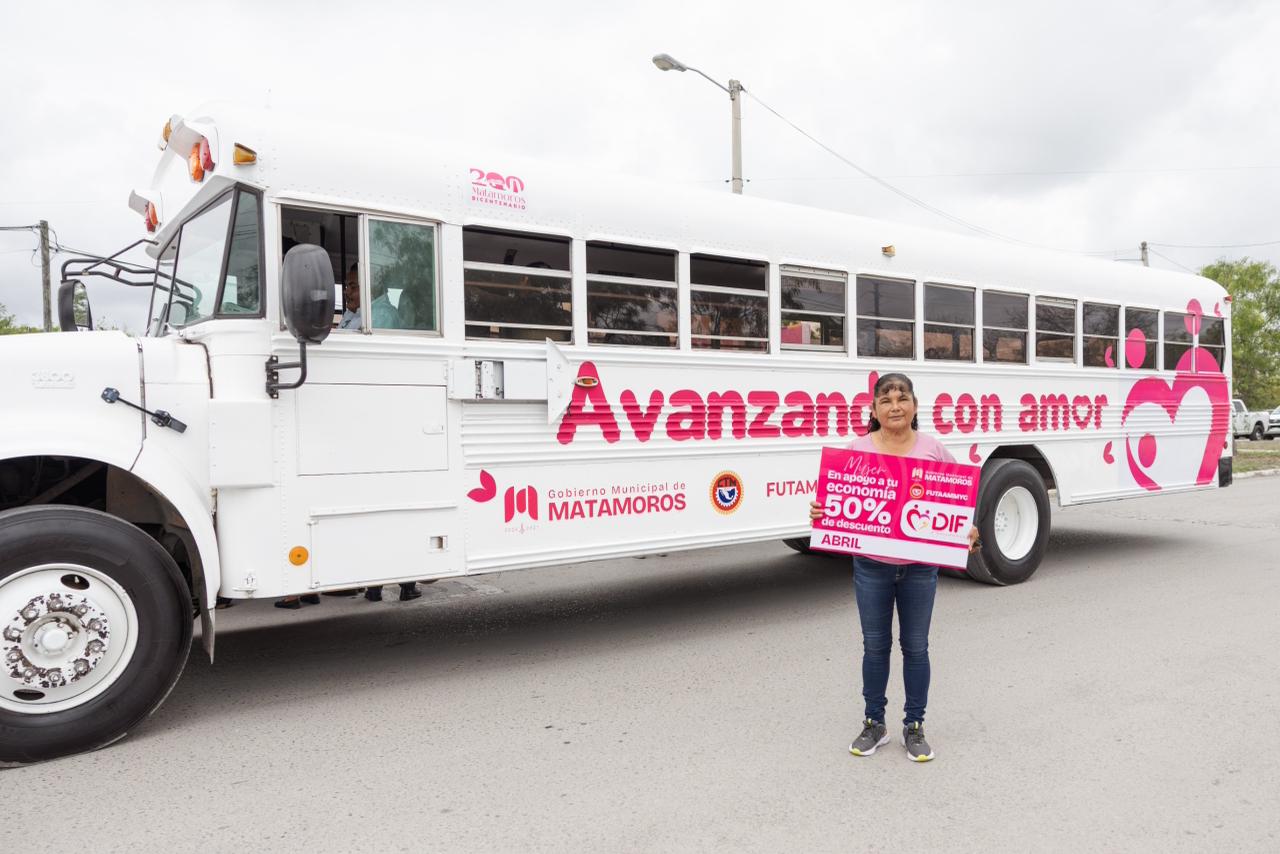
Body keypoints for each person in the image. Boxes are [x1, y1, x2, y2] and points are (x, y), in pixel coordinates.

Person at [809, 372, 979, 763]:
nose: (895, 406)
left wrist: (968, 529)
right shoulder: (857, 450)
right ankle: (875, 723)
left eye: (902, 398)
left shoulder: (934, 449)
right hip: (871, 568)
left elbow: (960, 500)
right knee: (875, 647)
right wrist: (821, 511)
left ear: (915, 406)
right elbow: (835, 502)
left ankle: (914, 725)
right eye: (885, 400)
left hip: (919, 569)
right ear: (874, 410)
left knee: (916, 648)